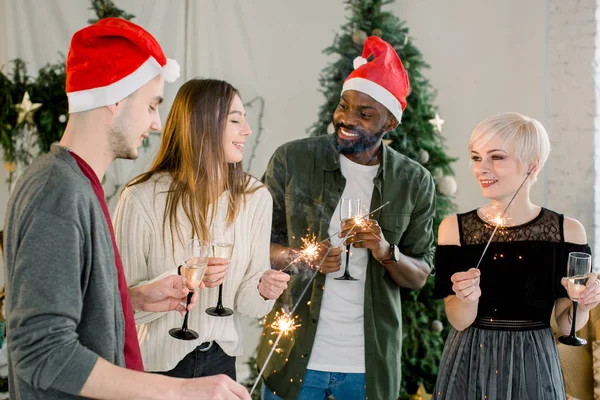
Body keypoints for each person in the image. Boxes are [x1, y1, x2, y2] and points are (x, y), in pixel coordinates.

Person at [3, 18, 250, 400]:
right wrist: (180, 391)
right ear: (115, 99)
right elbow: (42, 352)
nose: (155, 123)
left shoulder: (75, 182)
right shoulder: (58, 191)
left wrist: (130, 300)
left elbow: (69, 306)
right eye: (152, 105)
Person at [257, 36, 436, 400]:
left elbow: (420, 273)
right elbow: (254, 245)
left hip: (368, 367)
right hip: (294, 358)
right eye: (344, 106)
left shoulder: (414, 180)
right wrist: (305, 258)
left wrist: (385, 250)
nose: (346, 119)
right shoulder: (292, 160)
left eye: (365, 114)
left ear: (390, 123)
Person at [113, 78, 290, 379]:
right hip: (154, 370)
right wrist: (177, 283)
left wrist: (262, 290)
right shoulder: (140, 197)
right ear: (203, 126)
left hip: (221, 367)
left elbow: (249, 305)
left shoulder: (255, 197)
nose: (247, 130)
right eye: (235, 120)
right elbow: (116, 306)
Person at [432, 112, 600, 400]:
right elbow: (459, 321)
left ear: (532, 165)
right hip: (472, 358)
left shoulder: (568, 232)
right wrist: (467, 299)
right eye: (476, 157)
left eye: (496, 157)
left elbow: (564, 322)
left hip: (534, 360)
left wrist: (583, 304)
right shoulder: (454, 230)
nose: (481, 168)